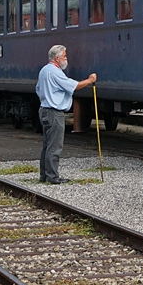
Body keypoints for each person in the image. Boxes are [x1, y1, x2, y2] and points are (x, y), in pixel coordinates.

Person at [36, 45, 96, 184]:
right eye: (64, 56)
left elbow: (38, 89)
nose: (66, 58)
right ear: (57, 58)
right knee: (55, 146)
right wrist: (90, 80)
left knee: (47, 145)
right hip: (54, 113)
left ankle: (44, 175)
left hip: (44, 109)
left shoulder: (44, 70)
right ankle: (53, 177)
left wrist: (47, 97)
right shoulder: (55, 72)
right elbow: (73, 86)